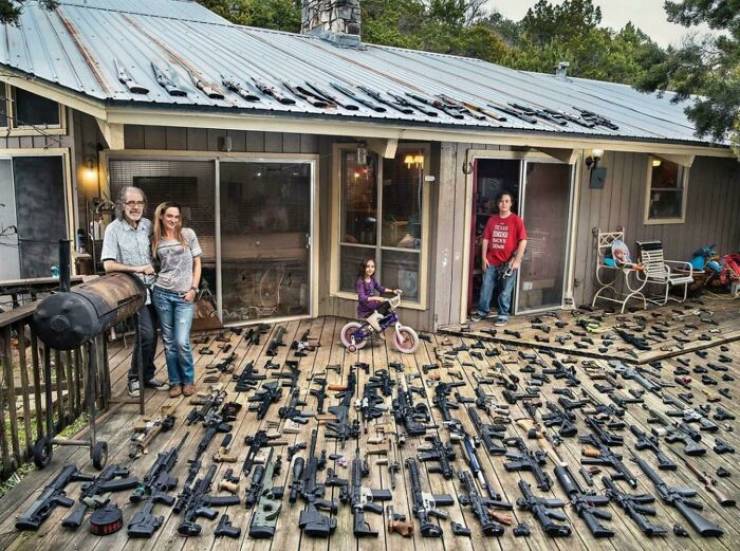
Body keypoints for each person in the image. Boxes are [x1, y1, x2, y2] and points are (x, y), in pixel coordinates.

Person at [101, 186, 169, 397]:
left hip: (155, 287)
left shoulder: (148, 226)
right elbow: (108, 265)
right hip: (133, 290)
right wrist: (137, 269)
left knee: (153, 333)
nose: (135, 207)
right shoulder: (113, 229)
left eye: (139, 203)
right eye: (130, 203)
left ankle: (147, 375)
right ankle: (134, 377)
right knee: (146, 333)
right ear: (122, 205)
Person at [151, 202, 202, 398]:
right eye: (169, 216)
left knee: (181, 341)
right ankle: (175, 382)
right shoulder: (156, 240)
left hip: (184, 296)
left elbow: (197, 263)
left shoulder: (188, 234)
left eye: (177, 217)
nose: (173, 220)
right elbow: (154, 266)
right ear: (162, 217)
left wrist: (194, 289)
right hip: (162, 293)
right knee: (169, 342)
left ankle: (188, 380)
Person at [471, 191, 527, 326]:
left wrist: (517, 260)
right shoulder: (492, 219)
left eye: (507, 201)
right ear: (498, 203)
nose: (504, 203)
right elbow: (485, 239)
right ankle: (483, 311)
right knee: (486, 287)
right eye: (501, 201)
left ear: (511, 204)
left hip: (508, 262)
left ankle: (503, 315)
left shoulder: (516, 220)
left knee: (505, 291)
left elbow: (523, 241)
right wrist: (484, 257)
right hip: (492, 260)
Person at [355, 258, 400, 335]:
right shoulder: (360, 282)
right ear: (363, 268)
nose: (370, 269)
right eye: (368, 266)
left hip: (372, 304)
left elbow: (380, 288)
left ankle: (376, 328)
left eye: (372, 267)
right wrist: (376, 298)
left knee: (387, 310)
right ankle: (375, 325)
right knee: (386, 304)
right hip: (365, 307)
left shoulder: (372, 279)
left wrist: (393, 291)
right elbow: (362, 298)